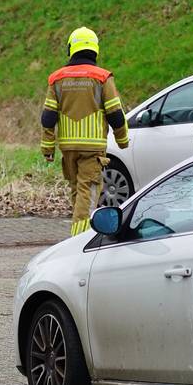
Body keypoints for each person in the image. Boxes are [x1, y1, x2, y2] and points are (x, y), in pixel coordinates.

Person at [41, 27, 129, 235]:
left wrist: (47, 147)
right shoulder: (102, 77)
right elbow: (115, 113)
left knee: (77, 193)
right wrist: (123, 139)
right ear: (95, 49)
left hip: (69, 149)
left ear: (71, 49)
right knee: (88, 195)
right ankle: (79, 240)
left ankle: (80, 233)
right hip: (92, 149)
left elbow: (48, 117)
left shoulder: (57, 79)